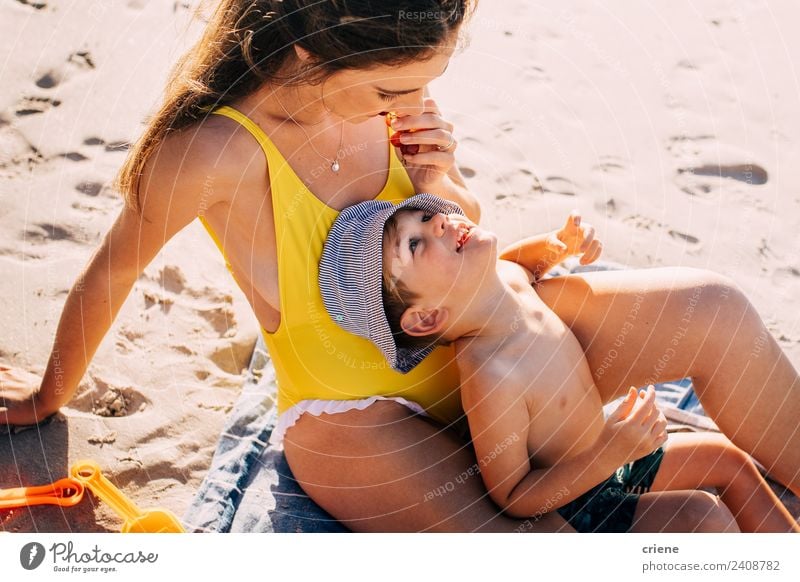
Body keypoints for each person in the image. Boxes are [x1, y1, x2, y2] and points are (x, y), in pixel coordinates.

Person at [0, 0, 798, 532]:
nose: (413, 100)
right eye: (397, 84)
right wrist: (46, 396)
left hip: (474, 336)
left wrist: (441, 175)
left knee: (716, 310)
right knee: (541, 547)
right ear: (310, 52)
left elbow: (449, 221)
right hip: (362, 414)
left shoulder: (389, 96)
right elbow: (112, 272)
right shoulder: (213, 152)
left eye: (428, 81)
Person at [318, 193, 799, 532]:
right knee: (701, 519)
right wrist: (608, 452)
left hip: (614, 459)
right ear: (426, 318)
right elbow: (513, 496)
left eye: (423, 216)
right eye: (416, 244)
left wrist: (561, 244)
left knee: (728, 460)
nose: (437, 222)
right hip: (583, 503)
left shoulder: (504, 276)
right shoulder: (491, 375)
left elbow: (521, 263)